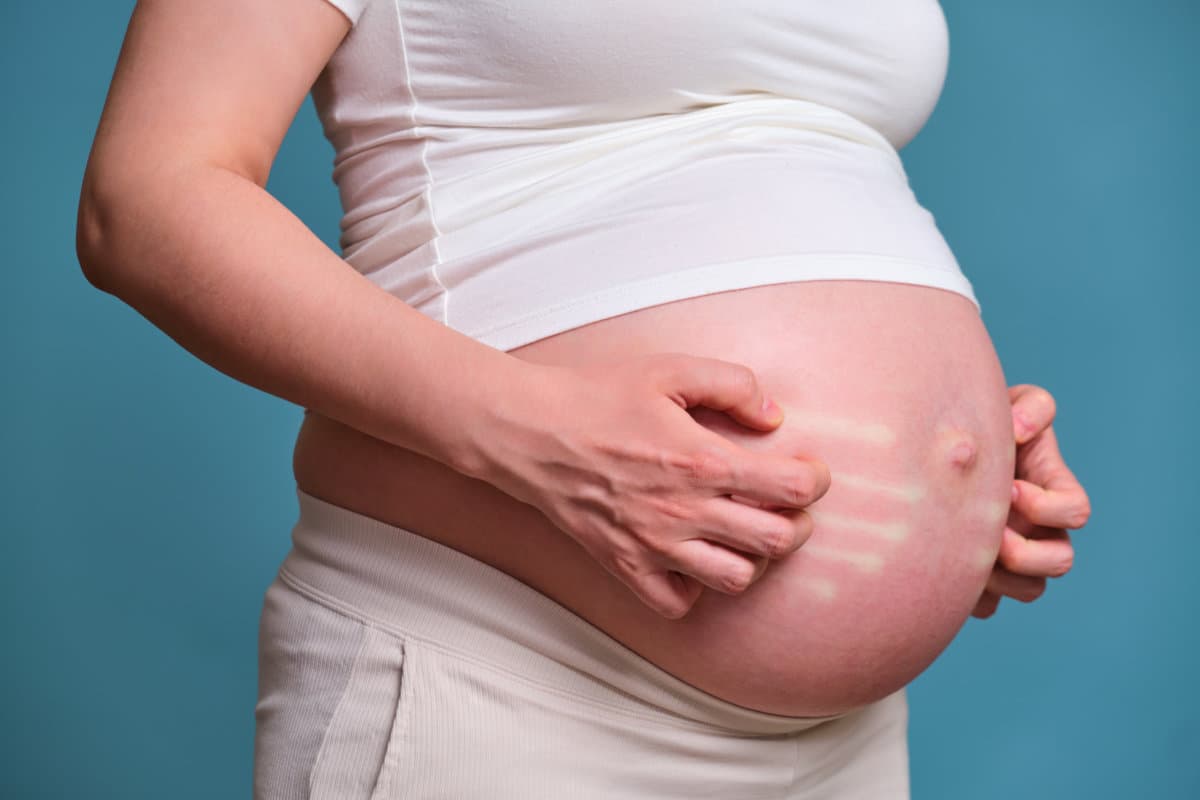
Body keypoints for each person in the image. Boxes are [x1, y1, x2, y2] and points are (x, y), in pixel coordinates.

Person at [76, 0, 1091, 797]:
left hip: (843, 746)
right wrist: (542, 432)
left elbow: (775, 172)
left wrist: (946, 468)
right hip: (504, 674)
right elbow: (147, 197)